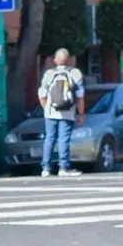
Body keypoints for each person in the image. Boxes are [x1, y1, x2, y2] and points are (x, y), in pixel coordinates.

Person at [38, 48, 85, 177]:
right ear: (69, 60)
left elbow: (41, 94)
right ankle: (63, 167)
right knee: (63, 139)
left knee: (49, 139)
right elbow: (80, 96)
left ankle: (46, 168)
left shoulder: (49, 74)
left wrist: (46, 108)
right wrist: (81, 114)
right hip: (67, 112)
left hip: (50, 112)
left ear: (55, 60)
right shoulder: (75, 73)